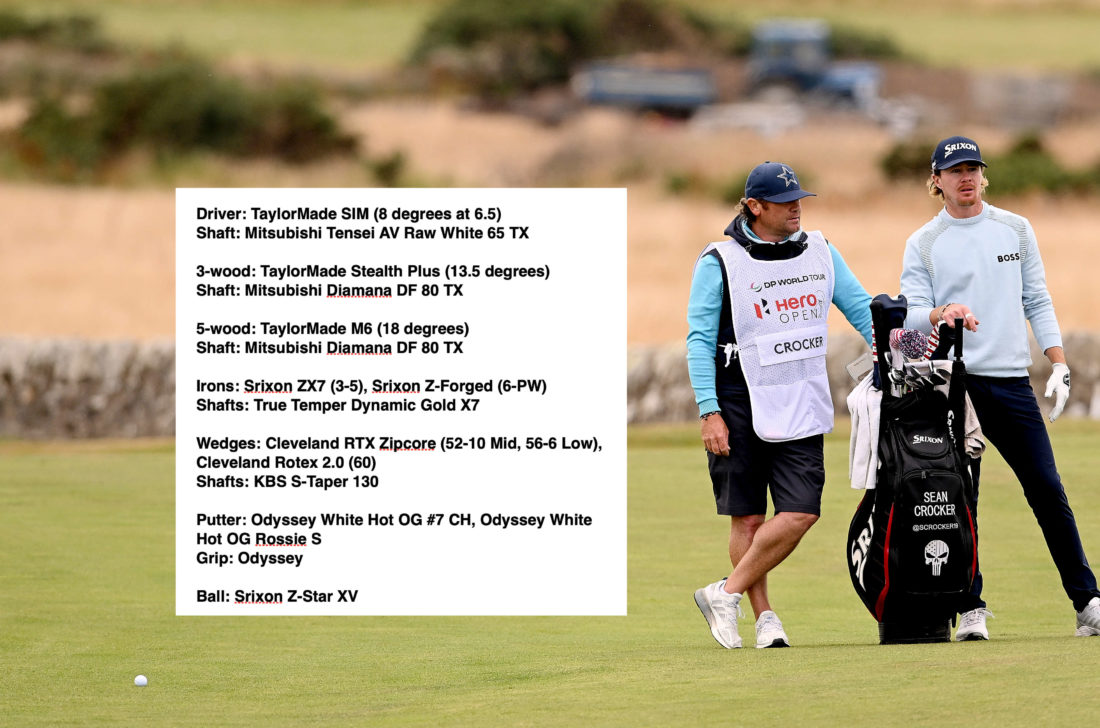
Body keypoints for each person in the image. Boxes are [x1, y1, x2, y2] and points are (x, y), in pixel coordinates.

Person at [899, 135, 1100, 641]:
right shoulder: (923, 241)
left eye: (973, 168)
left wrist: (1057, 362)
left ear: (983, 175)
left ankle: (1087, 602)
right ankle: (970, 607)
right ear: (936, 180)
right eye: (955, 170)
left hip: (1011, 382)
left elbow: (1037, 298)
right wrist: (943, 312)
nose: (966, 177)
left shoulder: (1015, 228)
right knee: (961, 498)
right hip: (954, 386)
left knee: (1048, 489)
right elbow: (912, 311)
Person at [688, 161, 872, 648]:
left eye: (800, 200)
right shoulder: (718, 261)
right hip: (736, 400)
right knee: (747, 516)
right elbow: (699, 341)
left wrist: (899, 343)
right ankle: (764, 616)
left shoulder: (820, 250)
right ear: (754, 207)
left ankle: (724, 594)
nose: (797, 209)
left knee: (801, 511)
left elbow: (862, 309)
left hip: (801, 395)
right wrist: (709, 411)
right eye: (786, 202)